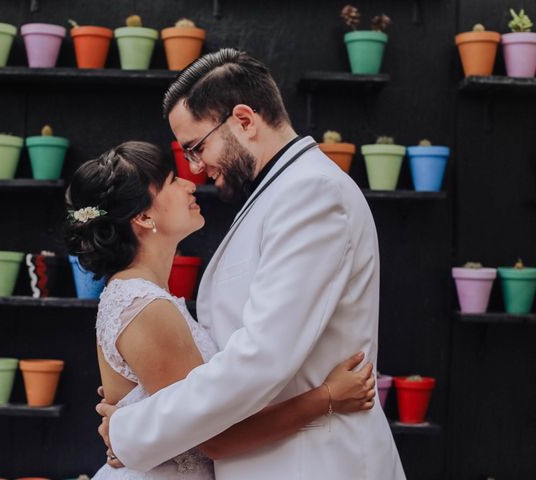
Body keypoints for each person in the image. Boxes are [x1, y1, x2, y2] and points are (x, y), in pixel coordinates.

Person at [96, 49, 406, 480]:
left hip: (312, 462)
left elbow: (261, 358)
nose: (195, 168)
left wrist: (134, 427)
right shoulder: (276, 191)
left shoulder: (311, 194)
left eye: (196, 147)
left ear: (244, 120)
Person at [66, 141, 377, 479]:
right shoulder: (146, 307)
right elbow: (216, 439)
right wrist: (328, 397)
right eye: (172, 181)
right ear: (143, 216)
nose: (189, 183)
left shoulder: (141, 297)